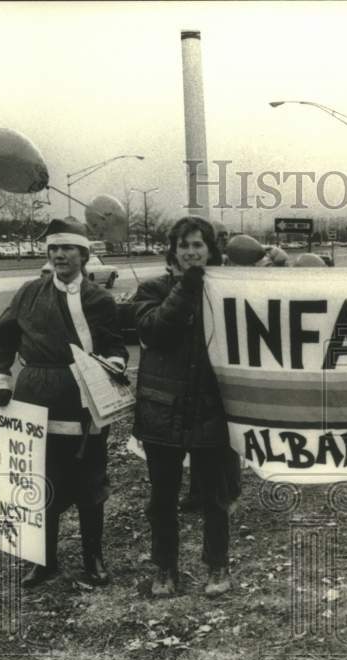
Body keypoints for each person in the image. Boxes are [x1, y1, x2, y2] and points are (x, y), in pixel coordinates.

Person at [0, 218, 127, 588]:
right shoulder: (30, 293)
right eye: (54, 248)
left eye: (68, 248)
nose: (60, 255)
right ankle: (43, 561)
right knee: (39, 481)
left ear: (84, 254)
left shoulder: (100, 299)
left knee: (90, 481)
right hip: (36, 397)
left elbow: (113, 344)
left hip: (86, 400)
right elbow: (0, 339)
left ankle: (93, 559)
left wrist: (112, 366)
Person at [132, 216, 237, 598]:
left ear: (211, 250)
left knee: (214, 497)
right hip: (162, 411)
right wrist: (188, 288)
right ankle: (165, 568)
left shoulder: (227, 292)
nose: (192, 252)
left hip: (212, 409)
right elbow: (155, 329)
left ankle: (217, 565)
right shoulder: (152, 289)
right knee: (162, 499)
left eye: (199, 246)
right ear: (173, 252)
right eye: (184, 246)